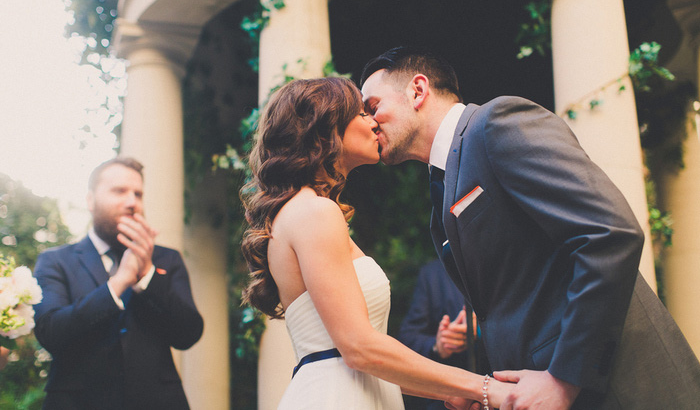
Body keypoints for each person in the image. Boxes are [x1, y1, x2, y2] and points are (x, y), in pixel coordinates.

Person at [360, 46, 700, 409]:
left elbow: (609, 234)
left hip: (620, 390)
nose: (368, 121)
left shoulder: (498, 122)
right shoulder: (442, 188)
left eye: (373, 106)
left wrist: (566, 379)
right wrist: (486, 389)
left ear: (417, 90)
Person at [240, 77, 513, 409]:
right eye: (361, 112)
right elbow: (359, 348)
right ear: (325, 129)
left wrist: (449, 389)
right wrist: (484, 387)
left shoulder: (304, 211)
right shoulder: (314, 211)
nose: (373, 122)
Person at [33, 157, 203, 410]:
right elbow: (52, 333)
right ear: (90, 200)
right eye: (119, 191)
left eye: (138, 194)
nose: (132, 202)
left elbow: (188, 333)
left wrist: (147, 274)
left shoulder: (167, 259)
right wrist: (119, 283)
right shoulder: (55, 261)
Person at [399, 259, 488, 410]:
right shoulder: (432, 273)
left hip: (507, 392)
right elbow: (407, 339)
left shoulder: (503, 263)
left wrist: (482, 330)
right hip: (449, 401)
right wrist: (438, 345)